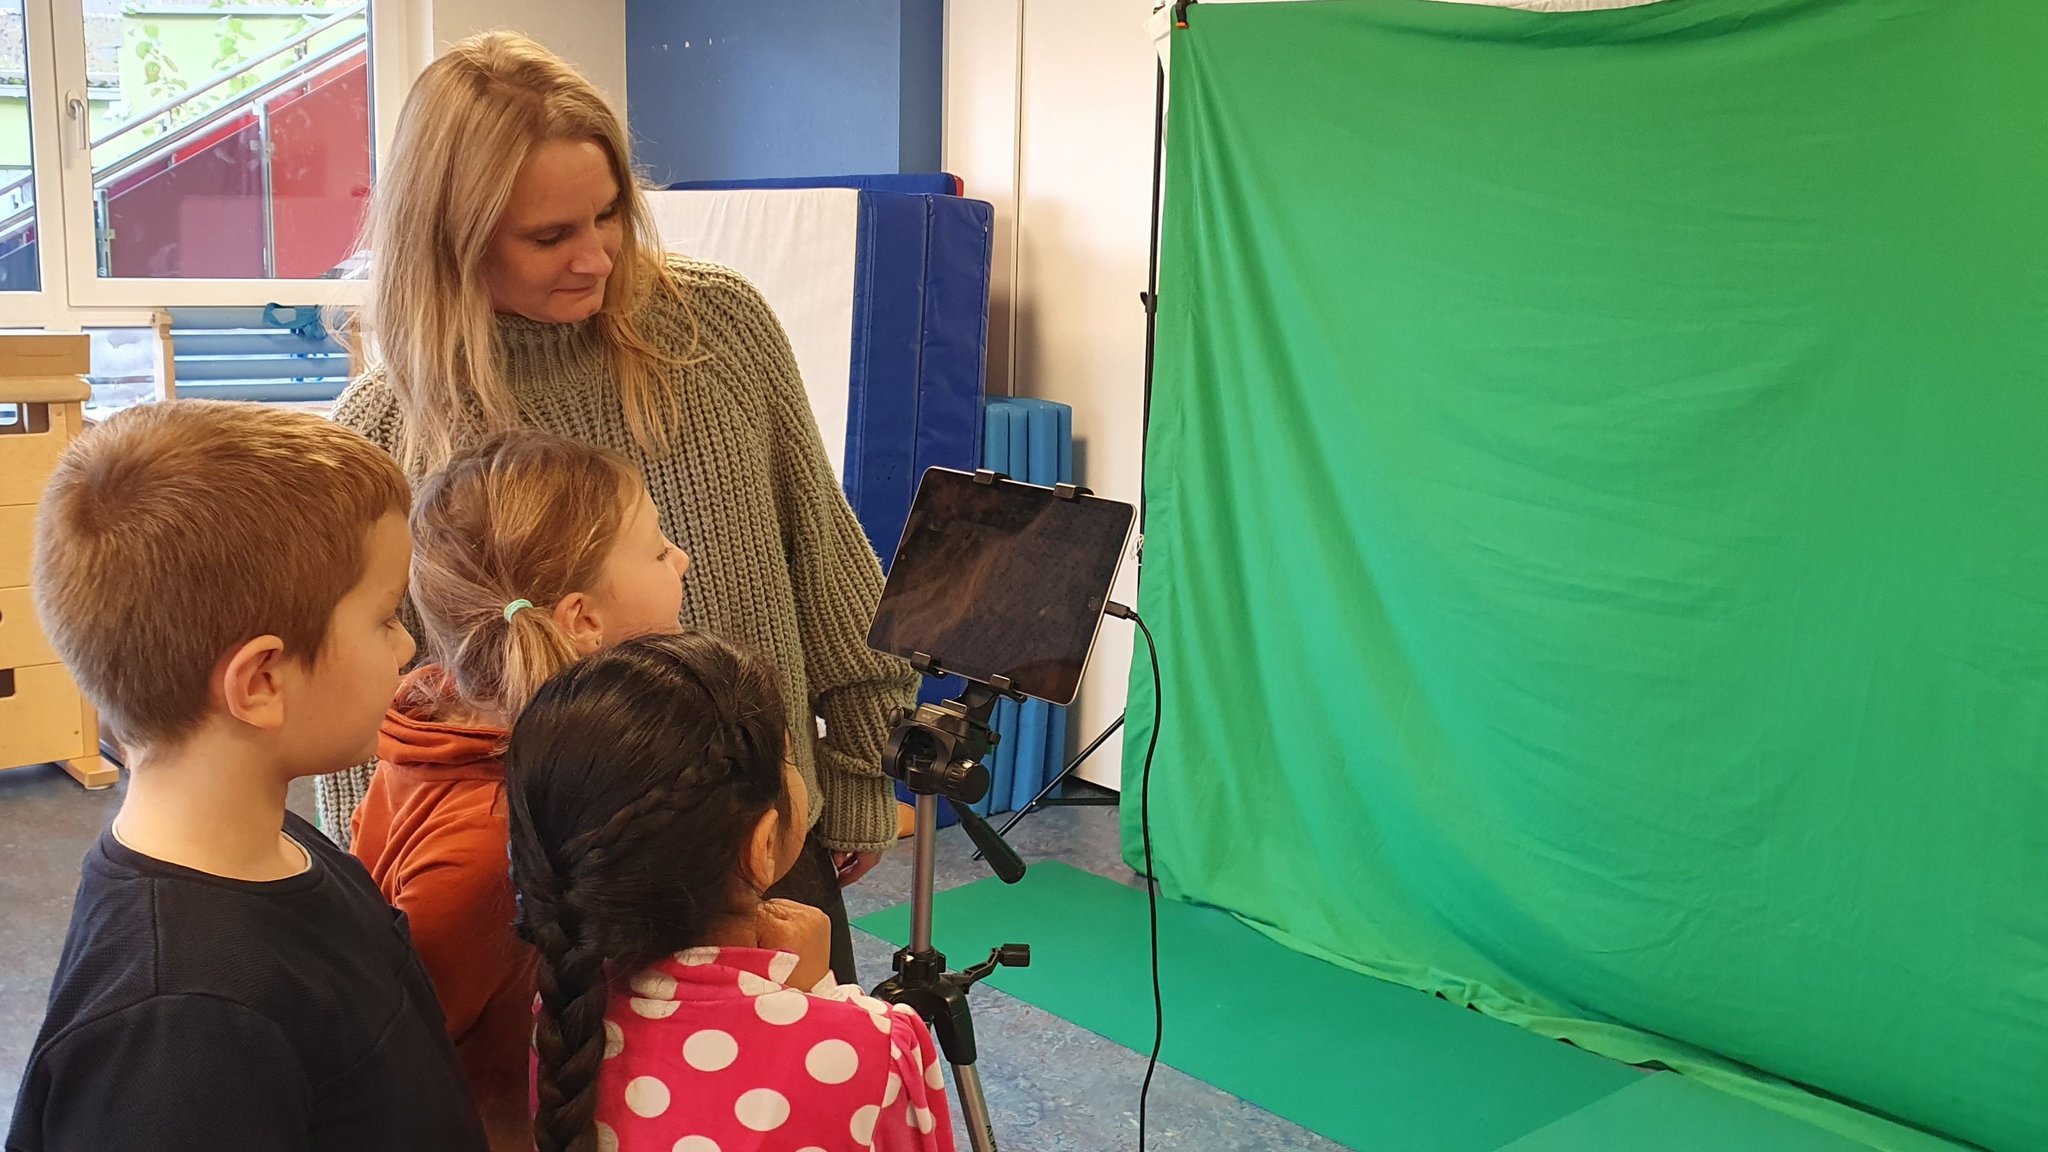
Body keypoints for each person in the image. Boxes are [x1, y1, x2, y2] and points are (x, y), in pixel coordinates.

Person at [317, 30, 916, 969]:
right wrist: (377, 907)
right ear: (453, 237)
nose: (596, 258)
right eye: (550, 235)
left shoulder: (718, 327)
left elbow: (828, 566)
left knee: (788, 1104)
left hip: (757, 845)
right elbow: (365, 719)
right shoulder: (388, 429)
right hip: (537, 898)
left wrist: (856, 774)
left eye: (610, 217)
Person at [6, 402, 485, 1152]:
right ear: (260, 680)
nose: (403, 649)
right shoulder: (179, 1032)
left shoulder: (280, 842)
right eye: (386, 617)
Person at [348, 429, 689, 1149]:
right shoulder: (491, 844)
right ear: (582, 620)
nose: (682, 559)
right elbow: (382, 1056)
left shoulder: (447, 721)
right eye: (661, 549)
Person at [507, 633, 956, 1152]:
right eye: (790, 759)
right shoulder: (876, 1046)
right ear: (762, 846)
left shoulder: (565, 1015)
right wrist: (822, 995)